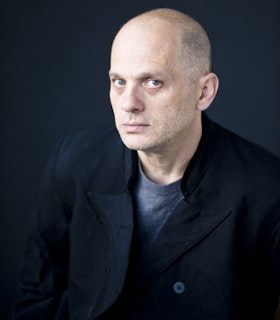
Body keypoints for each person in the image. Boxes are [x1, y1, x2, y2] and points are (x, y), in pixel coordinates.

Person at [13, 8, 280, 320]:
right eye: (119, 81)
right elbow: (38, 296)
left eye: (153, 82)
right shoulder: (74, 162)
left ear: (204, 91)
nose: (129, 103)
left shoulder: (269, 190)